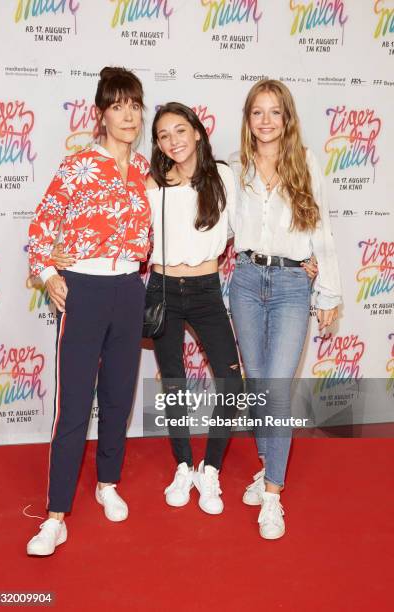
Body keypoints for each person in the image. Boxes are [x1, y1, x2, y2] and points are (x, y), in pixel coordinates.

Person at [54, 102, 243, 515]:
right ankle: (183, 464)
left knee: (232, 381)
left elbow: (242, 232)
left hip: (208, 290)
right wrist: (59, 254)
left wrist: (302, 259)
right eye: (162, 135)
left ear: (197, 132)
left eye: (180, 130)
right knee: (172, 380)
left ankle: (209, 470)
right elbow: (107, 218)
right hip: (161, 290)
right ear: (156, 144)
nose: (173, 141)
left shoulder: (224, 176)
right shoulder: (150, 182)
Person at [26, 67, 151, 556]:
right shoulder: (78, 165)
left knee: (119, 398)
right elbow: (41, 227)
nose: (128, 115)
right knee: (74, 404)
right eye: (117, 105)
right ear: (101, 114)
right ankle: (56, 515)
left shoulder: (145, 170)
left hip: (129, 288)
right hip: (84, 289)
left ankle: (108, 483)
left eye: (135, 105)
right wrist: (48, 273)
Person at [228, 79, 341, 539]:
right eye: (258, 111)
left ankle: (273, 493)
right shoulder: (234, 167)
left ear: (287, 117)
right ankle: (266, 467)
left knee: (275, 388)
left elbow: (323, 227)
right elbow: (220, 226)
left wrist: (328, 292)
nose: (267, 120)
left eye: (275, 111)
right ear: (248, 119)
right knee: (257, 384)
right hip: (246, 281)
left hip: (295, 282)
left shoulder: (306, 162)